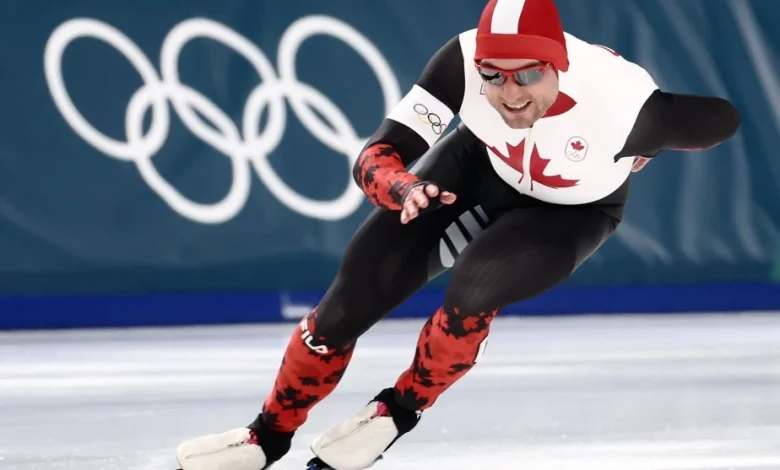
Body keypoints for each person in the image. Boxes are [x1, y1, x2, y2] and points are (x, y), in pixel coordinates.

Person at [175, 0, 741, 468]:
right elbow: (379, 153)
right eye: (494, 78)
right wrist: (400, 187)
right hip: (476, 168)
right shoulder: (461, 61)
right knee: (348, 299)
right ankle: (268, 434)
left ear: (559, 64)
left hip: (571, 210)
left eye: (528, 75)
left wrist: (652, 143)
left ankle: (399, 409)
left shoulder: (626, 107)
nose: (511, 95)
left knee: (473, 292)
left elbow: (724, 119)